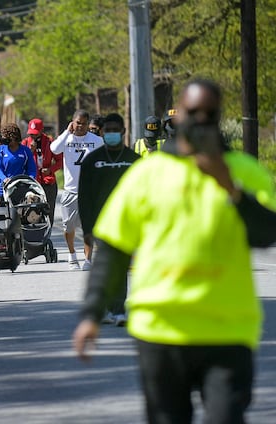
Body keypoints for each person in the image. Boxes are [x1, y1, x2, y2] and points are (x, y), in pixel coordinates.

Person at [73, 79, 276, 423]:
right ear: (178, 115)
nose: (201, 119)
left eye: (210, 114)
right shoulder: (146, 174)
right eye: (193, 112)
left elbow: (266, 233)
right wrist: (91, 314)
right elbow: (113, 248)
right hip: (160, 330)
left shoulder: (244, 171)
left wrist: (231, 188)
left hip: (227, 331)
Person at [77, 113, 140, 324]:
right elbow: (85, 198)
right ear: (102, 132)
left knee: (120, 266)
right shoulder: (92, 162)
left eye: (116, 130)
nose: (112, 133)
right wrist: (87, 229)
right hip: (102, 224)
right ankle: (109, 307)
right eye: (108, 130)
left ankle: (117, 308)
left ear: (123, 132)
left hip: (128, 222)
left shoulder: (134, 160)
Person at [50, 110, 103, 270]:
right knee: (68, 227)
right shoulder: (67, 138)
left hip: (89, 192)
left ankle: (88, 259)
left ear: (88, 124)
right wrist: (67, 132)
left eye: (84, 123)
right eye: (77, 122)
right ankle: (72, 255)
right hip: (70, 191)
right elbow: (54, 149)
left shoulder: (97, 140)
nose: (80, 126)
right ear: (72, 122)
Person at [21, 118, 63, 226]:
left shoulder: (50, 142)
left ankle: (47, 235)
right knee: (32, 213)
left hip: (48, 183)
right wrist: (30, 151)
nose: (33, 136)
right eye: (31, 133)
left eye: (35, 133)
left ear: (42, 130)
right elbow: (21, 163)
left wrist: (50, 170)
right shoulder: (25, 143)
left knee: (48, 212)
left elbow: (60, 160)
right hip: (32, 183)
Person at [0, 123, 37, 201]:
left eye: (8, 137)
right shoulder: (0, 150)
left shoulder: (25, 151)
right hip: (3, 188)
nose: (5, 139)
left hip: (21, 188)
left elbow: (32, 170)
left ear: (15, 137)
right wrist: (4, 179)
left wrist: (29, 180)